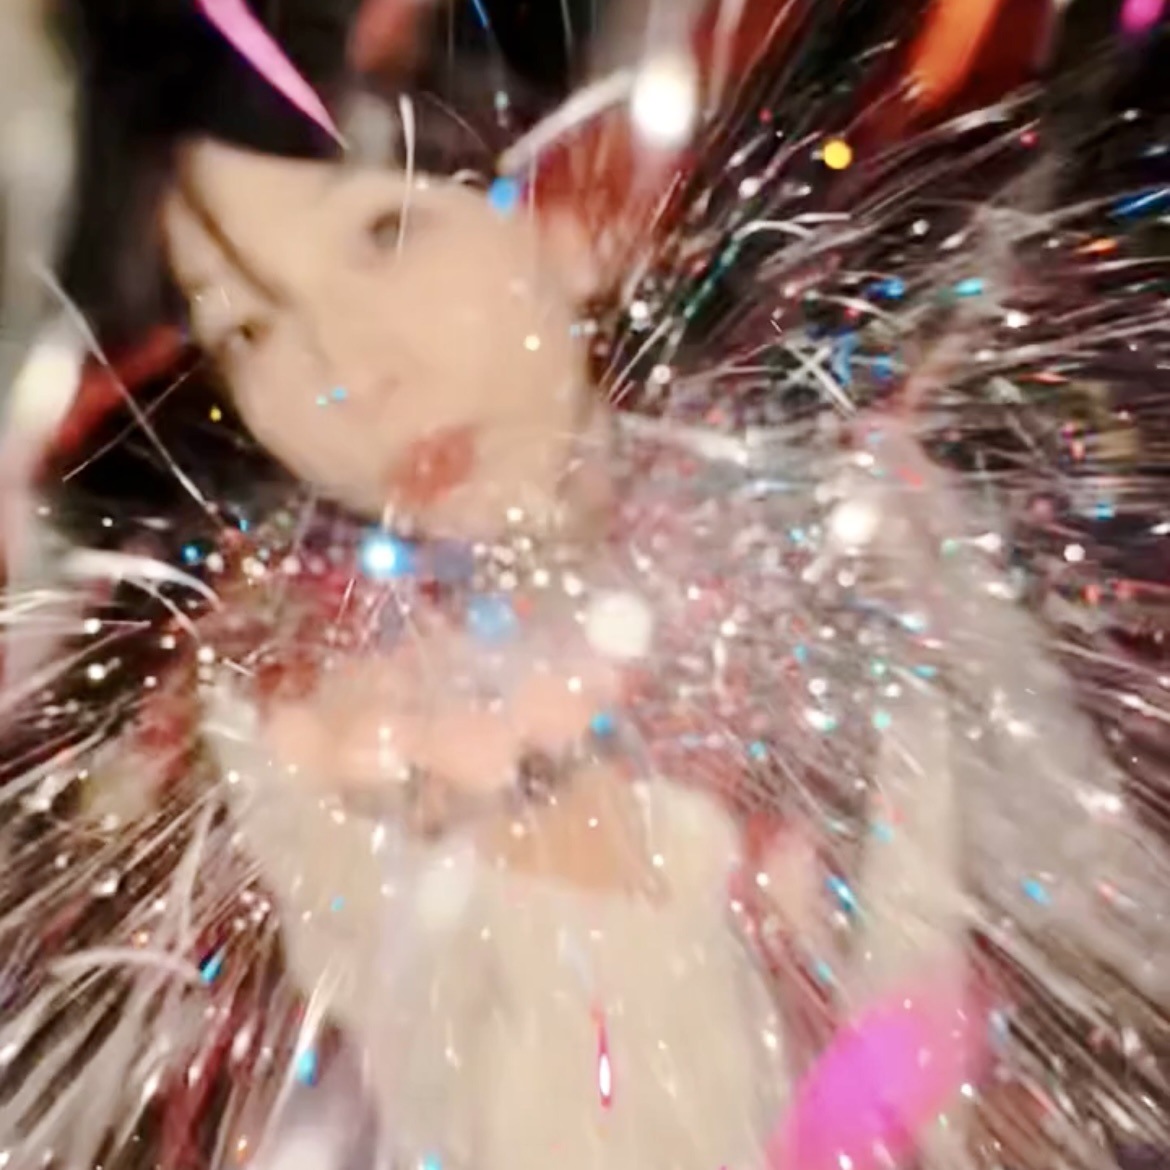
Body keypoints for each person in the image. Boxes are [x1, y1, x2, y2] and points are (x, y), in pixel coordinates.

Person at [6, 3, 1170, 1170]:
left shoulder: (845, 517)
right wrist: (581, 883)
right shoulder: (324, 704)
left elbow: (1097, 939)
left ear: (570, 210)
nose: (352, 372)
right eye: (252, 329)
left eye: (385, 232)